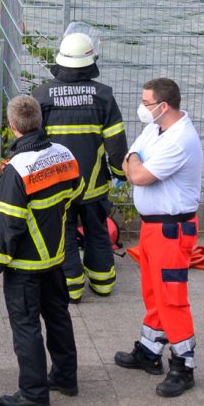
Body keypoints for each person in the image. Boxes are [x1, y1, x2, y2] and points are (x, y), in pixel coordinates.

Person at [0, 95, 81, 406]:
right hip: (56, 258)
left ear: (13, 127)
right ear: (40, 121)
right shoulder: (64, 154)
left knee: (26, 327)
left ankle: (34, 393)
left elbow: (8, 225)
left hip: (25, 265)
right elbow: (75, 194)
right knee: (58, 317)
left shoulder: (17, 170)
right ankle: (66, 378)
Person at [112, 77, 204, 397]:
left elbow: (135, 171)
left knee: (172, 299)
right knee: (153, 293)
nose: (142, 108)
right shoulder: (158, 128)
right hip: (155, 228)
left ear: (163, 106)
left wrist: (133, 161)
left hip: (171, 230)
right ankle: (150, 352)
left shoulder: (180, 140)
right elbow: (131, 155)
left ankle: (184, 366)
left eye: (146, 103)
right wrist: (133, 159)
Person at [35, 28, 126, 301]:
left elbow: (34, 144)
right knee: (97, 231)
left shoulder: (43, 96)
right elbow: (116, 143)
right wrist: (120, 173)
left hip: (58, 183)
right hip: (94, 184)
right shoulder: (104, 96)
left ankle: (72, 289)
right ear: (90, 62)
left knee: (63, 233)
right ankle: (103, 283)